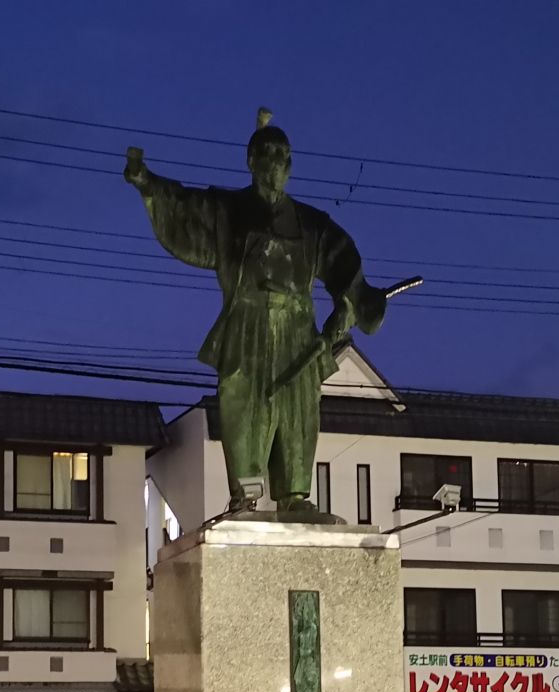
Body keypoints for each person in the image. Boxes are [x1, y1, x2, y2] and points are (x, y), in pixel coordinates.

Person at [124, 109, 395, 515]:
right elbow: (184, 205)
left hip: (297, 327)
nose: (276, 164)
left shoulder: (312, 224)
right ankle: (244, 494)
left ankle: (294, 496)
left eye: (283, 156)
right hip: (246, 322)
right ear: (251, 161)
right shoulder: (227, 209)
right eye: (268, 154)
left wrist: (347, 306)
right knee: (242, 401)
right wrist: (148, 184)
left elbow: (345, 268)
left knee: (298, 407)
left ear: (291, 165)